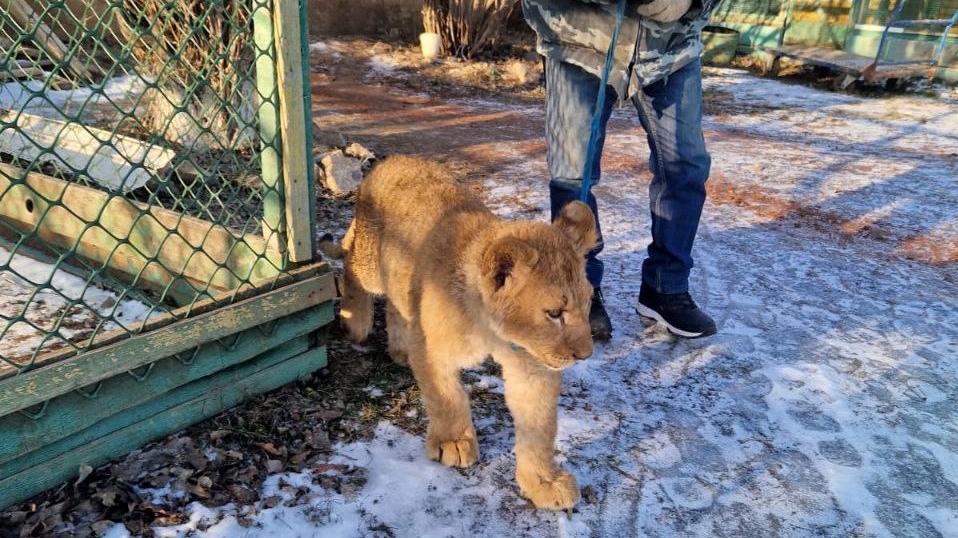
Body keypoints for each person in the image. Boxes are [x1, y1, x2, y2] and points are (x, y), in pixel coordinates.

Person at [521, 0, 719, 340]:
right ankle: (580, 288)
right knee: (572, 172)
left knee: (687, 166)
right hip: (579, 37)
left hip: (672, 45)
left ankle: (665, 287)